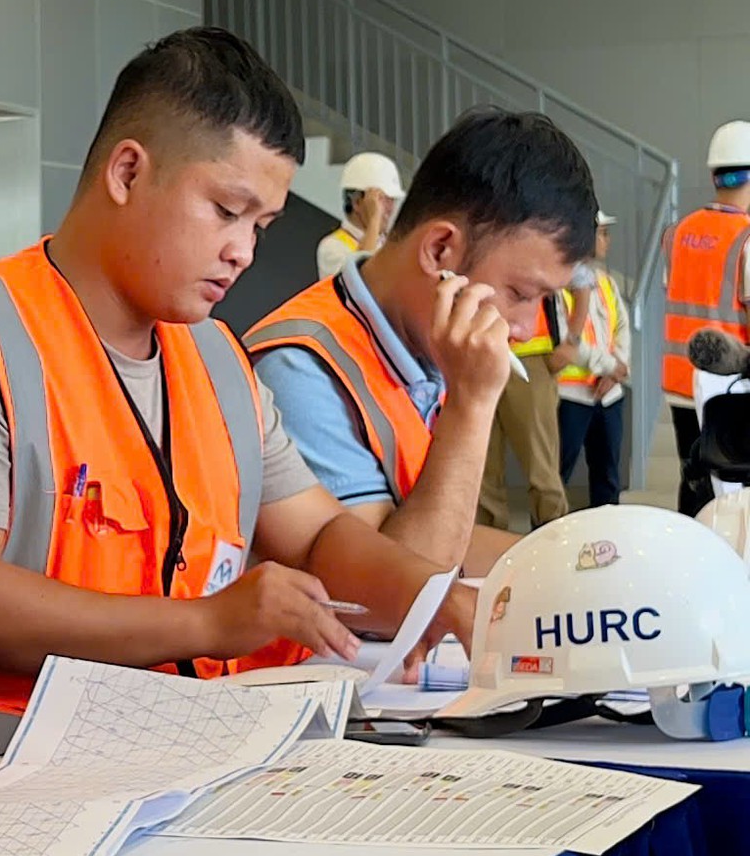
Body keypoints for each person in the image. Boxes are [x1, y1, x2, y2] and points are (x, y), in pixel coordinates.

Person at [0, 28, 469, 767]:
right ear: (127, 171)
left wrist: (439, 601)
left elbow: (316, 534)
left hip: (181, 781)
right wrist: (204, 623)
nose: (244, 251)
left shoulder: (216, 357)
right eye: (225, 209)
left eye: (262, 225)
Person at [246, 108, 593, 576]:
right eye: (521, 295)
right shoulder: (301, 367)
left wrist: (581, 559)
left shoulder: (428, 348)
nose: (527, 328)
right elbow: (384, 591)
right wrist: (470, 405)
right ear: (439, 252)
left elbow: (452, 541)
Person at [664, 121, 750, 517]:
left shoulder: (679, 232)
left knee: (694, 475)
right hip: (731, 389)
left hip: (681, 381)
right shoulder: (747, 237)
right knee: (733, 488)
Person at [475, 289, 571, 530]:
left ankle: (556, 542)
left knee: (541, 466)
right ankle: (488, 550)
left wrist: (573, 341)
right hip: (478, 352)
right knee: (481, 470)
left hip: (529, 355)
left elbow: (581, 276)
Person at [556, 210, 630, 508]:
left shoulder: (606, 282)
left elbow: (622, 328)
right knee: (556, 475)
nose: (606, 240)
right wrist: (611, 366)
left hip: (609, 394)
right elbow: (566, 341)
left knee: (608, 478)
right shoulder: (559, 283)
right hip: (571, 396)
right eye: (602, 233)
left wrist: (615, 371)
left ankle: (608, 540)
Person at [316, 151, 402, 282]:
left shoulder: (387, 242)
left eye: (392, 200)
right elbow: (361, 280)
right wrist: (374, 219)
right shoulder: (332, 247)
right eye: (383, 200)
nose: (391, 208)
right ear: (357, 202)